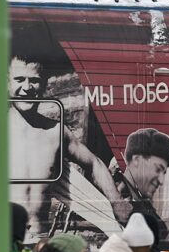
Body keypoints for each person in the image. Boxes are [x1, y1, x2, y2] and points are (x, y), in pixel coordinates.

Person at [8, 35, 123, 238]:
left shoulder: (55, 132)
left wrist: (117, 201)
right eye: (19, 79)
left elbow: (95, 163)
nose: (26, 88)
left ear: (43, 85)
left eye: (34, 81)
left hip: (40, 240)